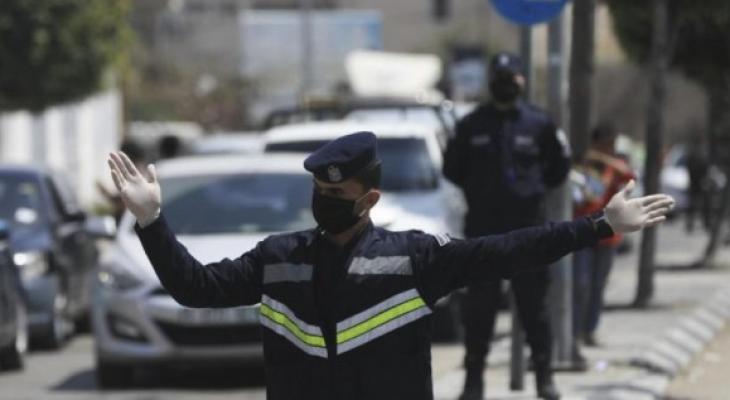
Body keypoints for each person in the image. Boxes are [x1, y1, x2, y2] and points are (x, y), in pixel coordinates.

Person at [107, 131, 674, 400]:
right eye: (318, 191)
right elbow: (196, 288)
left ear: (369, 199)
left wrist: (599, 225)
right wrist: (152, 221)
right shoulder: (278, 259)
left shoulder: (413, 259)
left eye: (337, 193)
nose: (324, 200)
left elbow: (507, 250)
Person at [443, 52, 571, 400]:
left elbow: (558, 169)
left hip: (528, 232)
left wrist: (528, 193)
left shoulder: (539, 123)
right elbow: (452, 169)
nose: (505, 84)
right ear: (490, 82)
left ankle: (544, 377)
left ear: (521, 81)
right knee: (478, 312)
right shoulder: (471, 125)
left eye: (511, 78)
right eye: (499, 78)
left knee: (535, 309)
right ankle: (473, 382)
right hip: (483, 233)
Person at [571, 123, 635, 366]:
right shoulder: (583, 165)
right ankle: (575, 330)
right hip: (583, 232)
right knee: (581, 284)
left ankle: (590, 329)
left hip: (608, 235)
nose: (610, 148)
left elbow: (630, 177)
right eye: (606, 145)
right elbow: (580, 195)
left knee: (598, 284)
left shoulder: (612, 167)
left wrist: (606, 160)